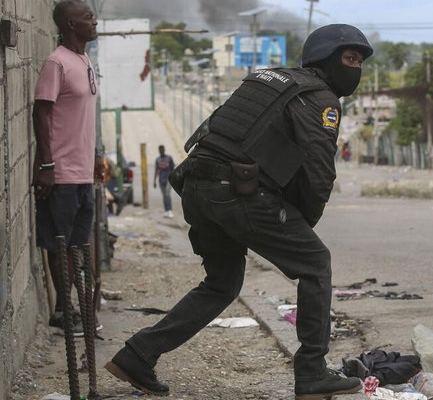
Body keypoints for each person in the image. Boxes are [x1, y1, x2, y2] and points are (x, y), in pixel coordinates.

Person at [105, 24, 373, 399]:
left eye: (359, 61)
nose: (355, 68)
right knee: (315, 264)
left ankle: (137, 355)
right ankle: (312, 371)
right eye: (349, 58)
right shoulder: (320, 98)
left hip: (197, 185)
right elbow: (318, 171)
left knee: (222, 284)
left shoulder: (265, 80)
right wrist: (302, 226)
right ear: (325, 59)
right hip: (237, 191)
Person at [32, 0, 101, 336]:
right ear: (71, 24)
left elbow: (83, 119)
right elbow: (41, 113)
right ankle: (64, 308)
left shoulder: (83, 59)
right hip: (59, 173)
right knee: (58, 243)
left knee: (75, 242)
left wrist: (95, 156)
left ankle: (73, 306)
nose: (95, 21)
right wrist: (46, 164)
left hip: (83, 172)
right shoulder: (56, 63)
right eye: (89, 17)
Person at [153, 144, 175, 218]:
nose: (161, 151)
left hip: (169, 179)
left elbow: (173, 168)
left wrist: (174, 178)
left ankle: (170, 210)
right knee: (164, 196)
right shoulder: (158, 159)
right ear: (159, 151)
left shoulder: (169, 158)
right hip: (161, 180)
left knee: (167, 194)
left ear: (164, 150)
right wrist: (154, 181)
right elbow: (156, 170)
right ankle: (166, 211)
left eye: (162, 150)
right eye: (160, 150)